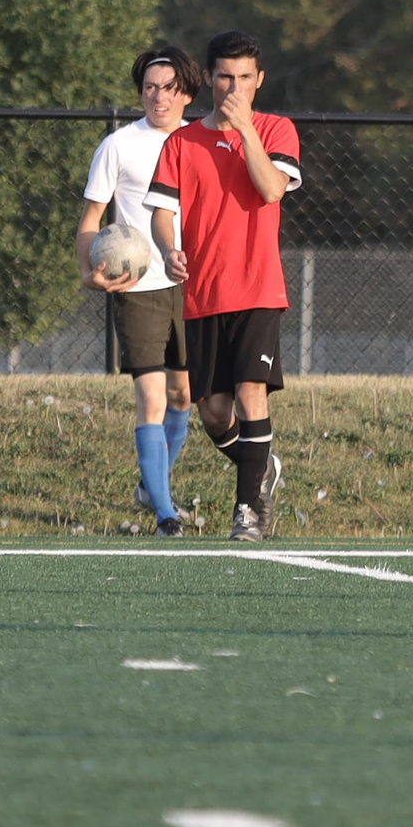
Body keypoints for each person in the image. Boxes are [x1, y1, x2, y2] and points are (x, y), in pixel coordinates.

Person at [145, 30, 301, 543]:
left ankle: (248, 511)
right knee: (213, 413)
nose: (234, 86)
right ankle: (259, 469)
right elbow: (163, 214)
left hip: (258, 289)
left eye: (244, 78)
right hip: (203, 295)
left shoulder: (277, 129)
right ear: (209, 79)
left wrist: (246, 133)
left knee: (251, 392)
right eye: (225, 77)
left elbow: (272, 189)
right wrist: (169, 249)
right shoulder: (181, 142)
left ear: (259, 81)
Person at [79, 45, 199, 536]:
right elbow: (90, 219)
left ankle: (154, 485)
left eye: (169, 88)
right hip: (138, 288)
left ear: (187, 93)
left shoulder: (205, 142)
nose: (158, 97)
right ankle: (167, 515)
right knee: (150, 398)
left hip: (193, 286)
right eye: (150, 88)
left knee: (183, 395)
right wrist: (90, 271)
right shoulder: (119, 145)